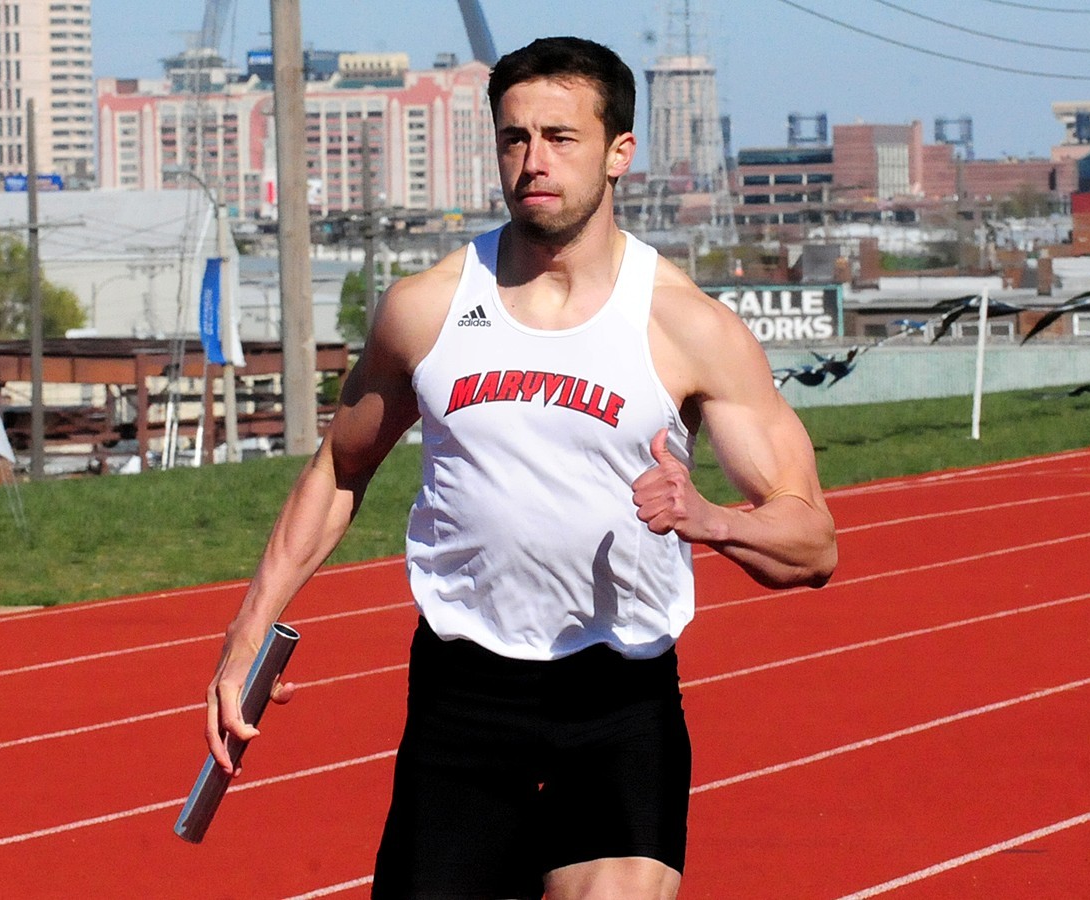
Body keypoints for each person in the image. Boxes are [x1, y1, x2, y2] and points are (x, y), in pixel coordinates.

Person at [205, 35, 837, 900]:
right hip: (465, 697)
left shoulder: (688, 327)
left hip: (620, 697)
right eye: (514, 138)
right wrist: (249, 629)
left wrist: (713, 519)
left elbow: (813, 544)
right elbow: (339, 470)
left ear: (620, 153)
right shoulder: (425, 310)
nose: (533, 161)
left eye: (560, 137)